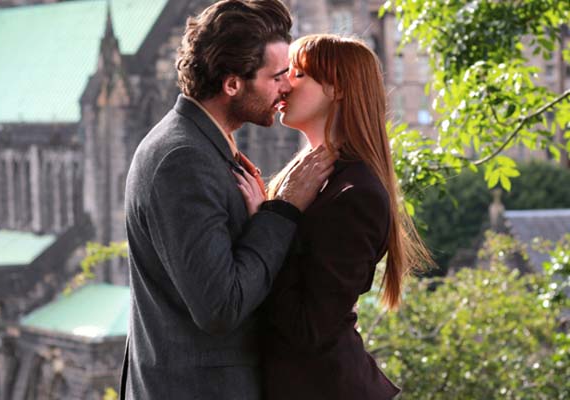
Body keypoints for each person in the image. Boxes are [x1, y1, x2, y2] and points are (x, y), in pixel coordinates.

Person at [120, 2, 338, 399]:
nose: (286, 87)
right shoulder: (181, 159)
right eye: (276, 77)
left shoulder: (202, 145)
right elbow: (221, 307)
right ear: (232, 83)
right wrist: (282, 212)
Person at [236, 34, 433, 399]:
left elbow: (308, 328)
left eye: (297, 73)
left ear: (337, 88)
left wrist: (271, 220)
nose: (283, 83)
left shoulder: (355, 193)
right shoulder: (312, 179)